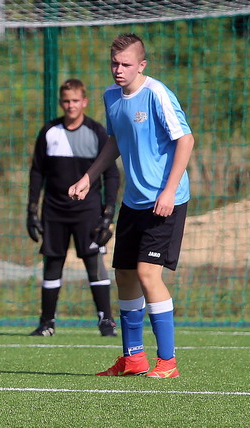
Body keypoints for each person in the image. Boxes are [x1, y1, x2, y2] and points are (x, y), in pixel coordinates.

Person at [68, 33, 194, 378]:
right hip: (134, 201)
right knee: (123, 274)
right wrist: (88, 177)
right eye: (114, 63)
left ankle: (167, 362)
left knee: (147, 273)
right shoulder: (111, 96)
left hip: (165, 200)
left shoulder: (156, 94)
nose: (118, 70)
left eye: (126, 64)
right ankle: (133, 358)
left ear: (142, 65)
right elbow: (115, 142)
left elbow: (186, 140)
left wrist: (168, 191)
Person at [27, 78, 120, 337]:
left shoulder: (97, 131)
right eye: (66, 101)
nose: (71, 105)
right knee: (52, 263)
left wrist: (108, 213)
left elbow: (111, 174)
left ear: (84, 102)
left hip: (88, 210)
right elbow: (37, 172)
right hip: (54, 210)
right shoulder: (49, 131)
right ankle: (47, 323)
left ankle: (106, 321)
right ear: (61, 102)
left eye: (75, 101)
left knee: (93, 262)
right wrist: (32, 210)